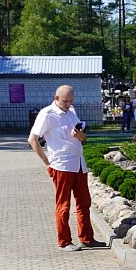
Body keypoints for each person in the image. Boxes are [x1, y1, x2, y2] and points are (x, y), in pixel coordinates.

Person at [28, 85, 102, 251]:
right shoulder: (47, 114)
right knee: (64, 204)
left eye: (70, 101)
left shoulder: (71, 111)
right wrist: (47, 164)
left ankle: (87, 238)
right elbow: (32, 139)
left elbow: (82, 137)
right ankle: (65, 241)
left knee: (84, 202)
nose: (68, 104)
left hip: (79, 163)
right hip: (61, 165)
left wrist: (81, 136)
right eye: (65, 101)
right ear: (56, 98)